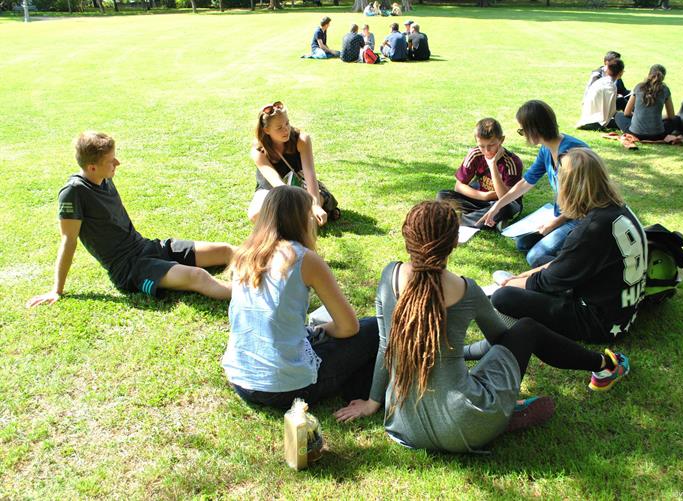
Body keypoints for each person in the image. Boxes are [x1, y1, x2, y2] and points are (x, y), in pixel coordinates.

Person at [332, 201, 631, 452]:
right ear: (453, 243)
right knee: (527, 329)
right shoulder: (466, 289)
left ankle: (502, 413)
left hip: (403, 429)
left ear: (406, 239)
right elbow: (503, 342)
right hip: (466, 425)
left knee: (502, 347)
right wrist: (460, 353)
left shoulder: (390, 276)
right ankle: (605, 367)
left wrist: (373, 403)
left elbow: (387, 346)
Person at [26, 132, 235, 308]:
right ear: (92, 167)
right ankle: (257, 296)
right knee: (197, 277)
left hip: (147, 247)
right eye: (111, 160)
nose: (117, 163)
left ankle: (264, 272)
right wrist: (57, 289)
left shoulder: (104, 177)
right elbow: (68, 240)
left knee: (226, 251)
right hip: (130, 269)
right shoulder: (73, 192)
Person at [223, 186, 379, 410]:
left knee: (314, 326)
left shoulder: (246, 253)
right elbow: (348, 327)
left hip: (240, 380)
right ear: (303, 220)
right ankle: (359, 391)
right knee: (373, 327)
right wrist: (321, 330)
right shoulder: (304, 259)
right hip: (284, 390)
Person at [488, 148, 647, 343]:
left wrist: (510, 284)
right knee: (542, 261)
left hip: (599, 321)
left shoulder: (592, 229)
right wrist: (521, 276)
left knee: (503, 297)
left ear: (571, 186)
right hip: (621, 304)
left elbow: (546, 281)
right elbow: (562, 263)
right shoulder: (618, 208)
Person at [477, 100, 588, 267]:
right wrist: (497, 206)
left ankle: (578, 255)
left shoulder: (573, 154)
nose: (523, 135)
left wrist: (554, 223)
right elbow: (526, 182)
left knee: (535, 257)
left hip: (580, 218)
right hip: (562, 213)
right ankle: (569, 246)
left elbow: (582, 203)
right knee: (522, 243)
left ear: (534, 130)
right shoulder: (546, 149)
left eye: (522, 131)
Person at [248, 101, 336, 226]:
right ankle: (294, 222)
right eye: (279, 128)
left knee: (310, 210)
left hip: (300, 184)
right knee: (255, 215)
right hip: (272, 188)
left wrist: (315, 204)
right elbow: (278, 184)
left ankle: (293, 221)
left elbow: (309, 172)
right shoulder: (258, 151)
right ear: (266, 130)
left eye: (287, 123)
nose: (286, 130)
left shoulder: (302, 140)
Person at [437, 118, 523, 228]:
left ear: (501, 140)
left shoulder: (512, 162)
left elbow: (505, 197)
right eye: (482, 146)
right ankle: (490, 221)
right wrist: (485, 196)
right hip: (481, 198)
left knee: (504, 208)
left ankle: (461, 220)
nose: (487, 150)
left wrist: (493, 165)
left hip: (505, 203)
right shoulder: (475, 154)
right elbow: (458, 186)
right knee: (443, 195)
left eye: (491, 145)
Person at [614, 64, 675, 140]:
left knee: (618, 115)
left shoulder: (639, 87)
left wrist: (637, 116)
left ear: (649, 74)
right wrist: (658, 118)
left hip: (636, 133)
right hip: (658, 135)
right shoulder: (665, 89)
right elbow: (671, 116)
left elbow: (627, 113)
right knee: (676, 120)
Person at [577, 58, 625, 130]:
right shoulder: (611, 86)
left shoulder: (601, 81)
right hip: (598, 120)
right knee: (626, 119)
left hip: (587, 117)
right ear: (621, 72)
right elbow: (610, 113)